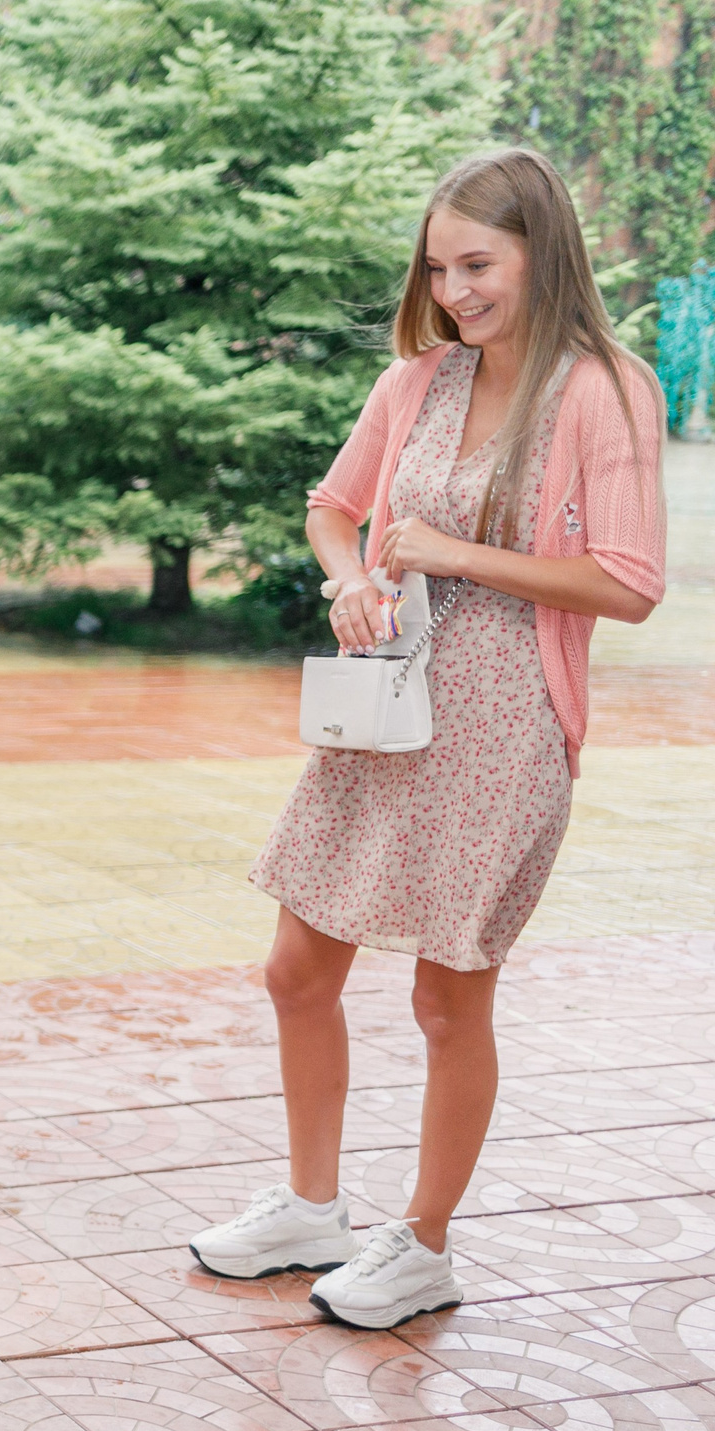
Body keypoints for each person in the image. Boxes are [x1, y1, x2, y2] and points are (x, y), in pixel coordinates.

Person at [189, 148, 665, 1329]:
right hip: (382, 710)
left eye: (478, 265)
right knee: (296, 969)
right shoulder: (416, 381)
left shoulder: (605, 389)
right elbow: (331, 510)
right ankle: (311, 1209)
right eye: (438, 268)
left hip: (505, 730)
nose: (454, 291)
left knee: (449, 1003)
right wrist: (349, 580)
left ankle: (425, 1241)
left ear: (542, 252)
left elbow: (628, 582)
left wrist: (455, 554)